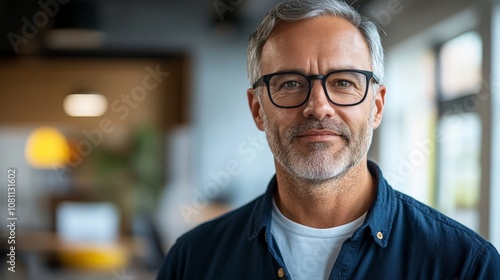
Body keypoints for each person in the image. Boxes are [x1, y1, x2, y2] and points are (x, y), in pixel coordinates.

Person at [156, 0, 500, 279]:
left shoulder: (465, 265)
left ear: (376, 106)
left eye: (344, 82)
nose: (318, 107)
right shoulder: (193, 261)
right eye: (290, 83)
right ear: (257, 109)